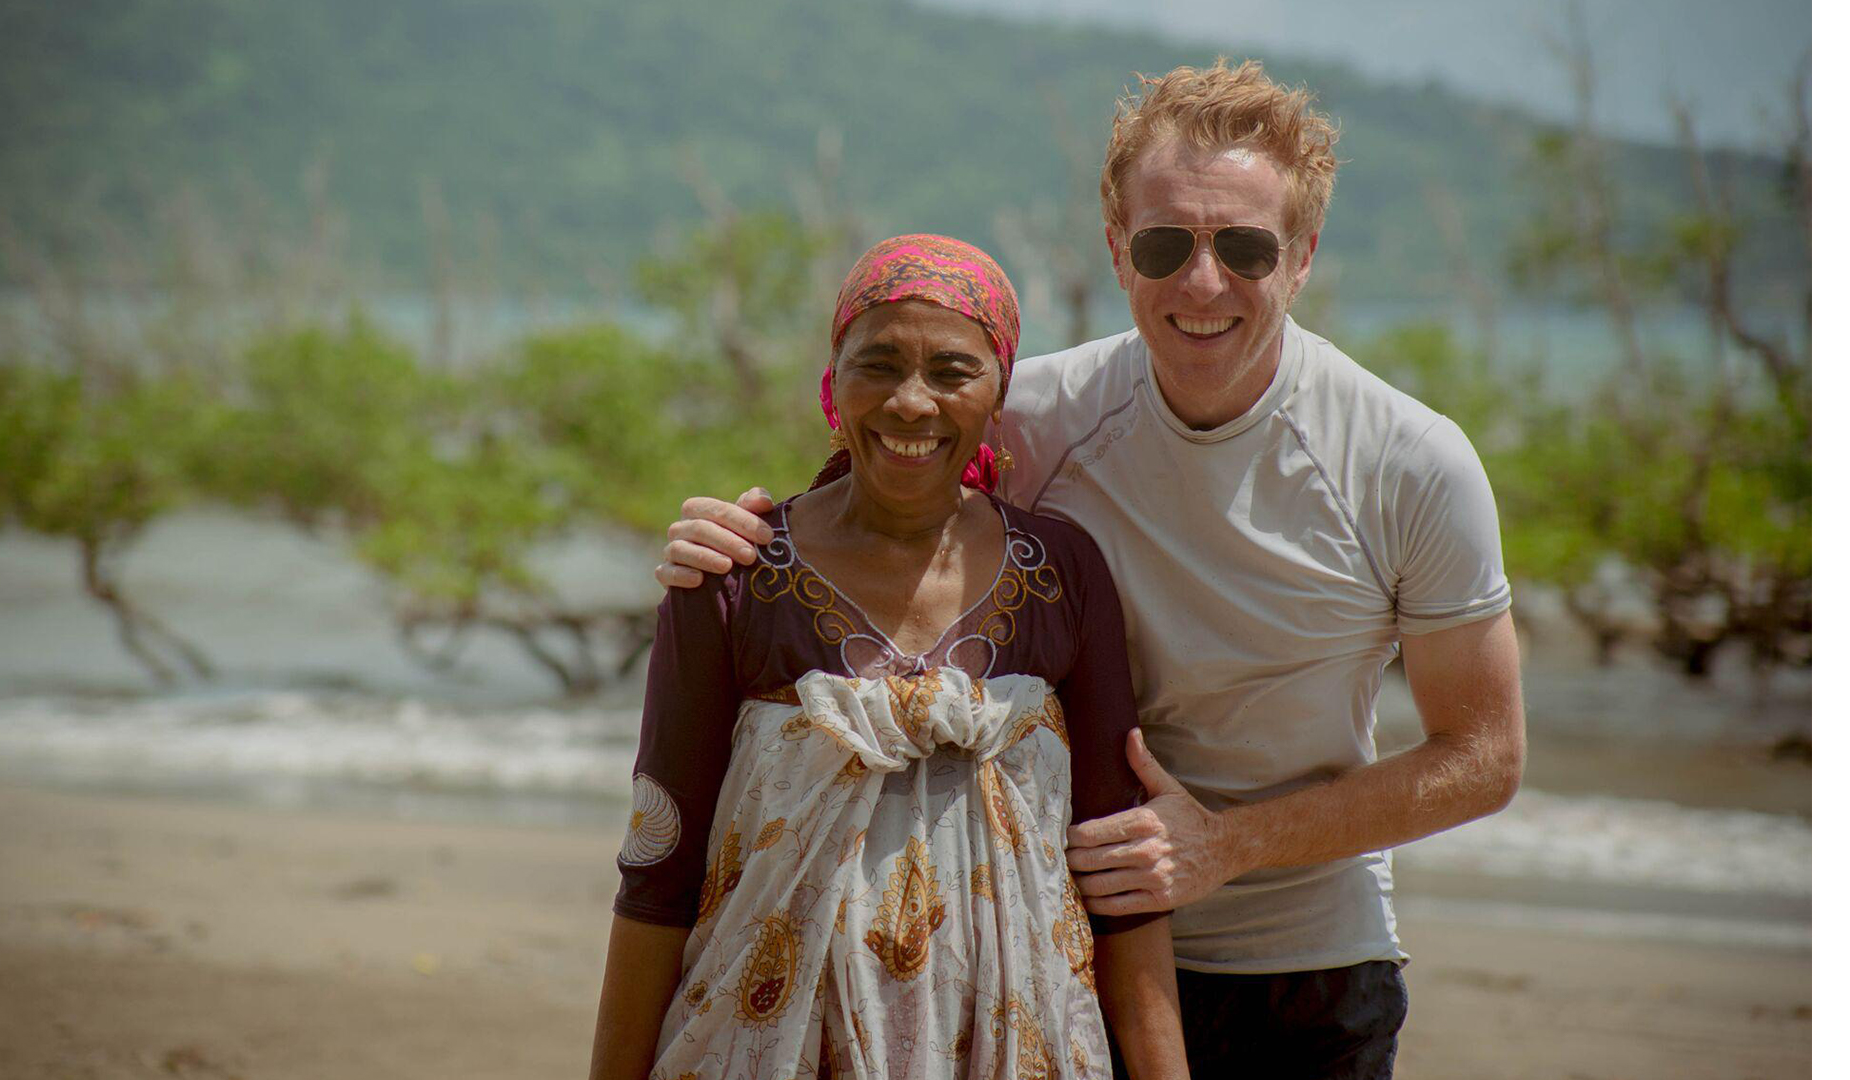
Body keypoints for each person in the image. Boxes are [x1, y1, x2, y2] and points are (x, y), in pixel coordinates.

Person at [655, 61, 1527, 1079]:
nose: (1202, 282)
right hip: (1057, 956)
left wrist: (1226, 845)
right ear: (1118, 248)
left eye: (1244, 247)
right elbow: (874, 507)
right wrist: (731, 538)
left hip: (1312, 966)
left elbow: (1483, 755)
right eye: (1166, 244)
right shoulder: (1034, 422)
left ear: (1302, 257)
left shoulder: (1409, 461)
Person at [590, 234, 1190, 1080]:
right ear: (833, 388)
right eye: (879, 366)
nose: (912, 403)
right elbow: (658, 865)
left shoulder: (1062, 574)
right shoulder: (733, 581)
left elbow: (1117, 877)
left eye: (952, 371)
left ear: (997, 394)